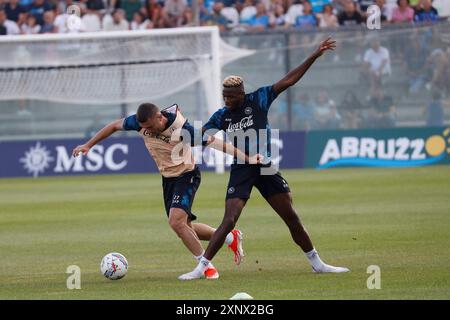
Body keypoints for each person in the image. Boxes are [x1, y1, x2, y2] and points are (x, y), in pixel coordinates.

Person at [179, 37, 350, 280]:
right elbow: (202, 135)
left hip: (266, 167)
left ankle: (317, 263)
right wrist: (187, 134)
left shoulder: (259, 99)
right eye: (224, 96)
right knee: (229, 219)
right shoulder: (221, 116)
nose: (226, 100)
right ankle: (202, 266)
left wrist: (313, 56)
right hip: (242, 168)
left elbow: (289, 81)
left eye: (230, 96)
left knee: (291, 216)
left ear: (241, 94)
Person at [72, 103, 259, 279]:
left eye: (150, 127)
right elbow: (114, 126)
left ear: (160, 118)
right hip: (168, 179)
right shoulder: (139, 122)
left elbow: (216, 143)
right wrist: (88, 145)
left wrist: (248, 158)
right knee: (186, 228)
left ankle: (205, 268)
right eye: (144, 128)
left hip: (187, 176)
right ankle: (228, 237)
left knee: (176, 222)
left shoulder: (183, 129)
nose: (148, 131)